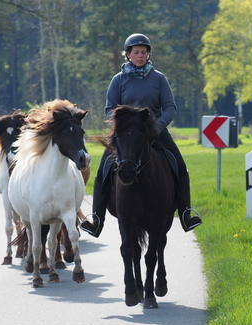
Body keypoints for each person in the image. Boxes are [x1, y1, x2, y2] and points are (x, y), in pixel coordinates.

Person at [80, 33, 202, 238]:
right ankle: (96, 219)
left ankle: (186, 213)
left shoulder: (159, 78)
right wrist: (123, 127)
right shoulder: (118, 80)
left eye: (143, 52)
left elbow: (170, 106)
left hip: (155, 132)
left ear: (148, 54)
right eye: (136, 52)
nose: (140, 55)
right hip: (126, 136)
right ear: (128, 55)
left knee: (179, 166)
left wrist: (157, 127)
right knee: (104, 169)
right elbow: (110, 108)